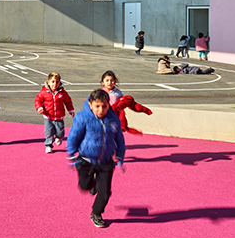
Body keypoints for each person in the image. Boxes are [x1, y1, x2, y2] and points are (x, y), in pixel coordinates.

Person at [67, 89, 126, 229]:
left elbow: (120, 139)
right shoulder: (83, 117)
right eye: (97, 106)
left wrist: (120, 155)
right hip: (86, 160)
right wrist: (70, 153)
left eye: (104, 106)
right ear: (90, 104)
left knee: (105, 192)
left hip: (106, 162)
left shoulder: (113, 119)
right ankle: (92, 185)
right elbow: (73, 136)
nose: (101, 110)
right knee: (84, 186)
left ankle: (97, 213)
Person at [100, 70, 152, 134]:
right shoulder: (100, 93)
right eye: (107, 80)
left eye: (111, 80)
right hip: (105, 116)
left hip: (116, 116)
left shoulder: (118, 92)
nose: (109, 82)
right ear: (102, 82)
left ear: (115, 81)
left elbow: (123, 102)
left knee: (115, 132)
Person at [34, 71, 75, 152]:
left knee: (60, 132)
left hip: (59, 116)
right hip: (48, 116)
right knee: (48, 132)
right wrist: (39, 108)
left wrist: (71, 110)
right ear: (48, 82)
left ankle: (59, 138)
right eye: (53, 82)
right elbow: (37, 100)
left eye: (57, 82)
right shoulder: (43, 92)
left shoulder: (62, 93)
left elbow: (68, 101)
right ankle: (48, 145)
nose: (55, 84)